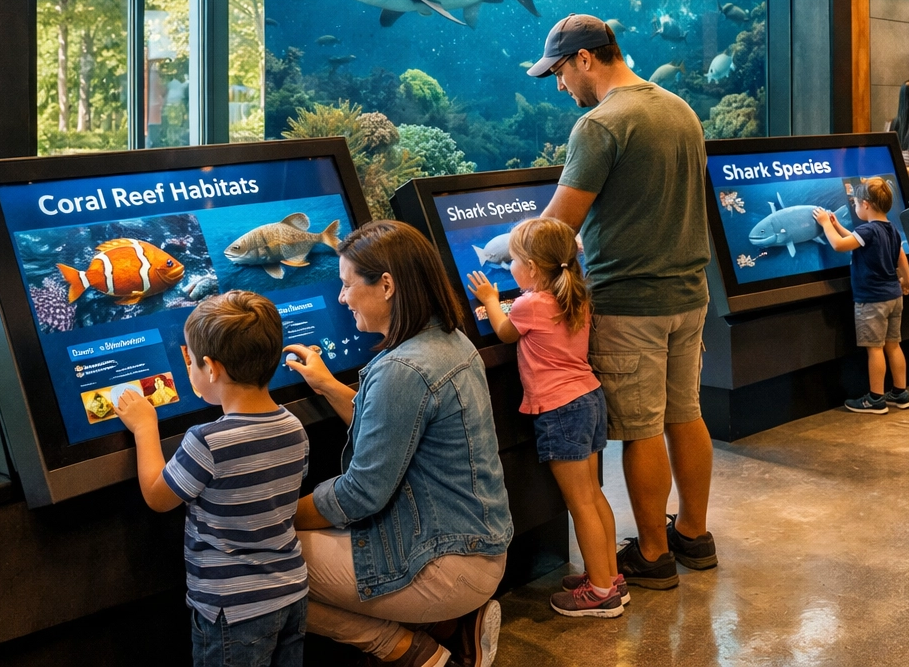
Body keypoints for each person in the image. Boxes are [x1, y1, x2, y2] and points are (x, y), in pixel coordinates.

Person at [529, 14, 718, 591]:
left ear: (586, 58)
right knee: (685, 414)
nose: (561, 85)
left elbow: (556, 229)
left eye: (560, 71)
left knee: (641, 430)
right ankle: (692, 533)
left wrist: (513, 260)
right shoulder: (678, 108)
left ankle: (654, 554)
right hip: (690, 294)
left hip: (631, 303)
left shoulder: (600, 124)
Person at [283, 220, 512, 667]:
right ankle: (455, 629)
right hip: (479, 548)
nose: (342, 298)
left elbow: (359, 494)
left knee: (257, 569)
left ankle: (414, 652)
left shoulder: (403, 368)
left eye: (347, 285)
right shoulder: (448, 338)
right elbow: (394, 429)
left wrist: (274, 517)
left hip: (447, 567)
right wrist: (329, 385)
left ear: (386, 285)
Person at [116, 291, 309, 667]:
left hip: (231, 610)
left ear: (211, 368)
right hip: (290, 592)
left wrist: (144, 427)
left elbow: (158, 496)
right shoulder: (294, 426)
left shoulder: (207, 441)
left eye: (189, 360)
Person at [468, 217, 625, 619]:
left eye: (515, 261)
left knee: (579, 502)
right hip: (588, 398)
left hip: (560, 410)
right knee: (593, 494)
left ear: (532, 269)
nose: (512, 268)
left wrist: (488, 298)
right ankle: (609, 576)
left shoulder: (530, 303)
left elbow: (505, 331)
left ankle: (600, 592)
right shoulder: (576, 295)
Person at [813, 177, 909, 414]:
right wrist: (907, 282)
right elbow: (899, 255)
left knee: (875, 349)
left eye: (856, 203)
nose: (856, 207)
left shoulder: (867, 230)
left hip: (872, 301)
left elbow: (840, 245)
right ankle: (900, 393)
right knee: (893, 345)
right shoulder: (890, 228)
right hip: (893, 296)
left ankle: (876, 399)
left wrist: (825, 225)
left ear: (866, 204)